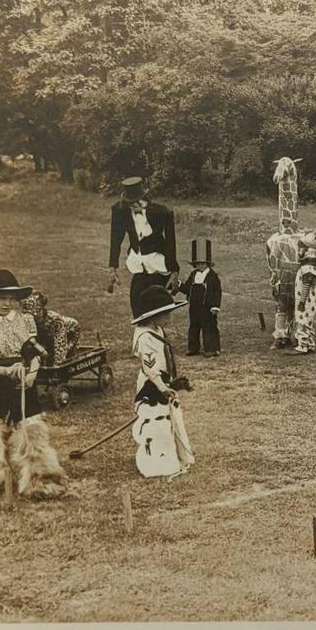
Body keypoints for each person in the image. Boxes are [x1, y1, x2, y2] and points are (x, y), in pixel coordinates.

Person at [0, 270, 67, 500]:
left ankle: (40, 479)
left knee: (31, 428)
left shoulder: (25, 321)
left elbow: (33, 354)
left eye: (11, 298)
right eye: (1, 298)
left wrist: (32, 374)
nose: (7, 303)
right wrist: (5, 371)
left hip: (23, 381)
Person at [131, 285, 195, 477]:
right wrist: (161, 387)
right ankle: (159, 463)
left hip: (164, 381)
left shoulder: (158, 330)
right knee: (157, 421)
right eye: (165, 314)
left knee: (172, 418)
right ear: (152, 315)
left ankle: (179, 455)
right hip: (152, 386)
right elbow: (151, 368)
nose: (169, 317)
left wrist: (173, 383)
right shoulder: (144, 336)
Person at [108, 176, 180, 319]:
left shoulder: (161, 212)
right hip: (138, 264)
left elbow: (170, 242)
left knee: (157, 308)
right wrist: (112, 267)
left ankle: (157, 336)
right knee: (137, 304)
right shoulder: (120, 211)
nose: (134, 206)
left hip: (157, 264)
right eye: (130, 204)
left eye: (137, 203)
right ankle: (142, 334)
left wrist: (174, 270)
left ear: (144, 200)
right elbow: (115, 238)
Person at [176, 238, 222, 357]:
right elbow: (187, 288)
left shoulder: (213, 277)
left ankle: (212, 349)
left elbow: (217, 292)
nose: (200, 266)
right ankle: (193, 348)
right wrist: (179, 285)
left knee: (209, 327)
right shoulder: (193, 275)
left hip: (207, 308)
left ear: (207, 264)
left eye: (203, 263)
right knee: (194, 327)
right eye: (198, 263)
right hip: (194, 308)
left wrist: (215, 306)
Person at [265, 217, 301, 350]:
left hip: (297, 279)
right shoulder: (273, 240)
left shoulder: (301, 239)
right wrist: (274, 280)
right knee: (281, 308)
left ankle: (294, 335)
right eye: (284, 222)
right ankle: (280, 336)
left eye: (289, 222)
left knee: (296, 308)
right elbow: (271, 262)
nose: (286, 225)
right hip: (282, 279)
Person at [19, 290, 81, 366]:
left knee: (64, 356)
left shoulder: (55, 321)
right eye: (28, 314)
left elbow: (60, 347)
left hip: (70, 332)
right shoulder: (25, 319)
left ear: (41, 309)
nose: (32, 316)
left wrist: (56, 368)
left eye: (36, 311)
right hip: (45, 333)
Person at [289, 232, 316, 355]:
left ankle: (303, 345)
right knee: (308, 321)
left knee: (302, 320)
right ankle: (310, 343)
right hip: (311, 300)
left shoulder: (308, 266)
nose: (299, 250)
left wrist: (302, 301)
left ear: (307, 250)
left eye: (301, 248)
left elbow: (307, 284)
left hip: (306, 300)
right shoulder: (312, 264)